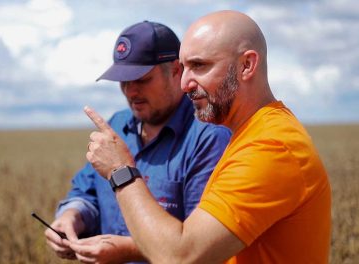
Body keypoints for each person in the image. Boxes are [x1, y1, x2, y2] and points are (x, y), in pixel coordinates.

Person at [79, 10, 332, 263]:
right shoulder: (250, 135)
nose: (185, 83)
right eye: (184, 68)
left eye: (199, 66)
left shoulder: (271, 147)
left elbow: (180, 256)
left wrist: (120, 171)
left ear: (247, 65)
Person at [45, 21, 231, 263]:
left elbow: (200, 247)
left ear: (176, 71)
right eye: (123, 81)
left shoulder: (208, 136)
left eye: (142, 79)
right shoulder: (117, 126)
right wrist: (71, 217)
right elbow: (87, 190)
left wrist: (129, 249)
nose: (130, 92)